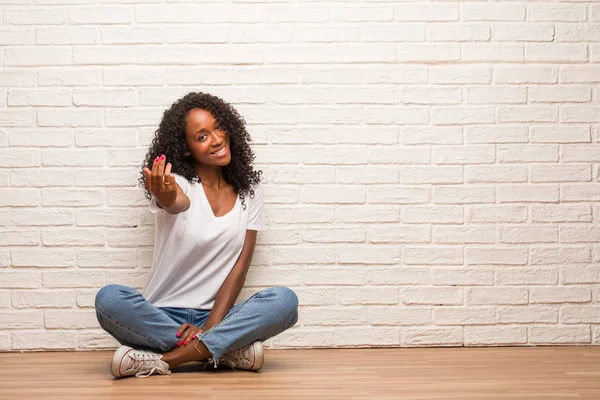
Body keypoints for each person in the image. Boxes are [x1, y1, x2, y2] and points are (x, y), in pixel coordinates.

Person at [94, 92, 299, 379]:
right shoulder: (179, 183)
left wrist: (211, 326)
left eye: (218, 127)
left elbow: (240, 266)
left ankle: (168, 360)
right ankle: (224, 351)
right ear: (187, 149)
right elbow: (176, 201)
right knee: (110, 299)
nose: (216, 139)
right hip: (162, 317)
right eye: (202, 137)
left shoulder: (249, 192)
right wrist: (165, 194)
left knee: (284, 302)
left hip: (218, 315)